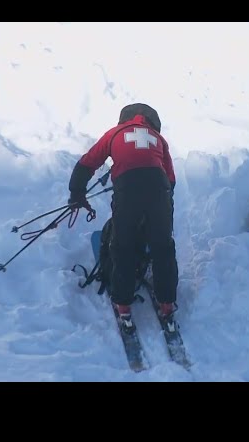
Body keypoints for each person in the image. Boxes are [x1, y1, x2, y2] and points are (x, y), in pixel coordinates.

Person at [68, 103, 178, 331]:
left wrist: (77, 192)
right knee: (163, 248)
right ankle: (167, 304)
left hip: (127, 189)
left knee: (123, 246)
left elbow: (87, 163)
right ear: (152, 122)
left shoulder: (115, 133)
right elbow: (171, 180)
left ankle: (123, 306)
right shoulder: (159, 140)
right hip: (160, 189)